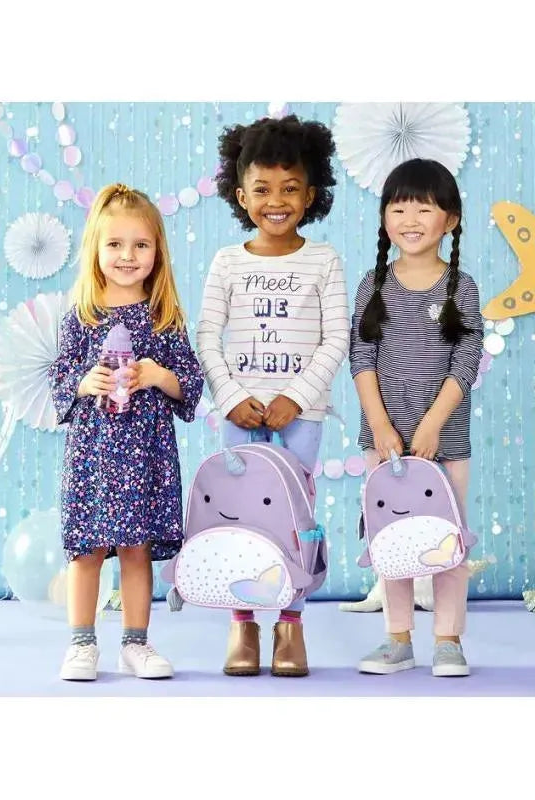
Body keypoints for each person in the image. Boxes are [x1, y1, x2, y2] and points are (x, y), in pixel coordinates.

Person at [197, 114, 350, 676]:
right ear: (241, 196)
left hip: (301, 416)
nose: (277, 202)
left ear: (311, 194)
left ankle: (290, 623)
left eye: (290, 188)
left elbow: (337, 337)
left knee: (293, 515)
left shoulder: (324, 260)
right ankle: (243, 625)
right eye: (262, 189)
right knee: (238, 513)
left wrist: (296, 397)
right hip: (240, 414)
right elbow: (207, 336)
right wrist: (230, 397)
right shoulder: (227, 262)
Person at [49, 183, 203, 681]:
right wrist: (84, 382)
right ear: (95, 248)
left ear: (157, 251)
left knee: (137, 552)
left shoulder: (164, 318)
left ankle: (135, 644)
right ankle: (81, 644)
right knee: (87, 551)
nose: (128, 256)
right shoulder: (81, 315)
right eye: (115, 244)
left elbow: (190, 382)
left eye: (140, 244)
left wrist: (158, 375)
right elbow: (59, 379)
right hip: (94, 457)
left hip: (146, 456)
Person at [349, 159, 483, 677]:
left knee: (447, 541)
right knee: (392, 539)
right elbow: (361, 359)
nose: (409, 219)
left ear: (450, 220)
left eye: (424, 209)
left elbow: (466, 361)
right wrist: (382, 426)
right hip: (384, 443)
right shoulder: (373, 284)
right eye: (398, 207)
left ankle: (448, 640)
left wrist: (431, 426)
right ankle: (397, 639)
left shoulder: (461, 287)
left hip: (445, 441)